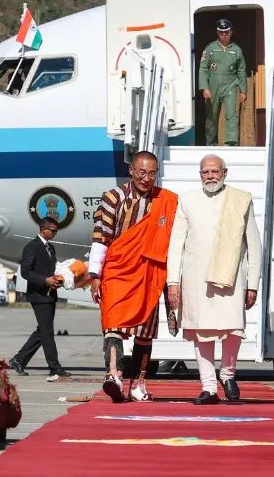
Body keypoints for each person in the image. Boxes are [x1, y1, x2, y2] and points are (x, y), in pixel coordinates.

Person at [165, 154, 262, 404]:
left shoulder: (241, 200)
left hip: (231, 278)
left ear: (225, 173)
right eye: (206, 172)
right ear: (200, 175)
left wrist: (253, 284)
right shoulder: (187, 201)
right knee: (200, 332)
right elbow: (176, 245)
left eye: (215, 171)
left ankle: (228, 374)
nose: (211, 176)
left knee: (233, 329)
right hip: (197, 280)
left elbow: (254, 246)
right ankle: (208, 387)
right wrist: (172, 282)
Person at [88, 150, 178, 403]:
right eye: (141, 172)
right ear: (131, 171)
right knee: (113, 322)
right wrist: (95, 274)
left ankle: (138, 383)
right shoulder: (113, 198)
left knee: (145, 331)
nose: (146, 178)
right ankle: (114, 375)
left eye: (152, 173)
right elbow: (101, 236)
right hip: (118, 269)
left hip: (151, 271)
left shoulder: (167, 201)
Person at [9, 217, 72, 379]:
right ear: (43, 229)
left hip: (50, 294)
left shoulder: (50, 248)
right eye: (53, 230)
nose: (55, 233)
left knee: (43, 331)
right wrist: (45, 280)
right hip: (38, 295)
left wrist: (59, 279)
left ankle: (19, 359)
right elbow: (25, 271)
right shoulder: (32, 247)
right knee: (47, 332)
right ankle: (54, 367)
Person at [197, 18, 247, 146]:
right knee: (211, 115)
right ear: (217, 33)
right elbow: (203, 68)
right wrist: (204, 88)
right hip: (213, 85)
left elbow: (241, 70)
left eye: (226, 32)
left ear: (231, 32)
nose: (224, 35)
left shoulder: (236, 50)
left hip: (230, 84)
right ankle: (211, 143)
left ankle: (231, 142)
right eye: (221, 32)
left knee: (231, 115)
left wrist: (243, 90)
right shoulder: (210, 48)